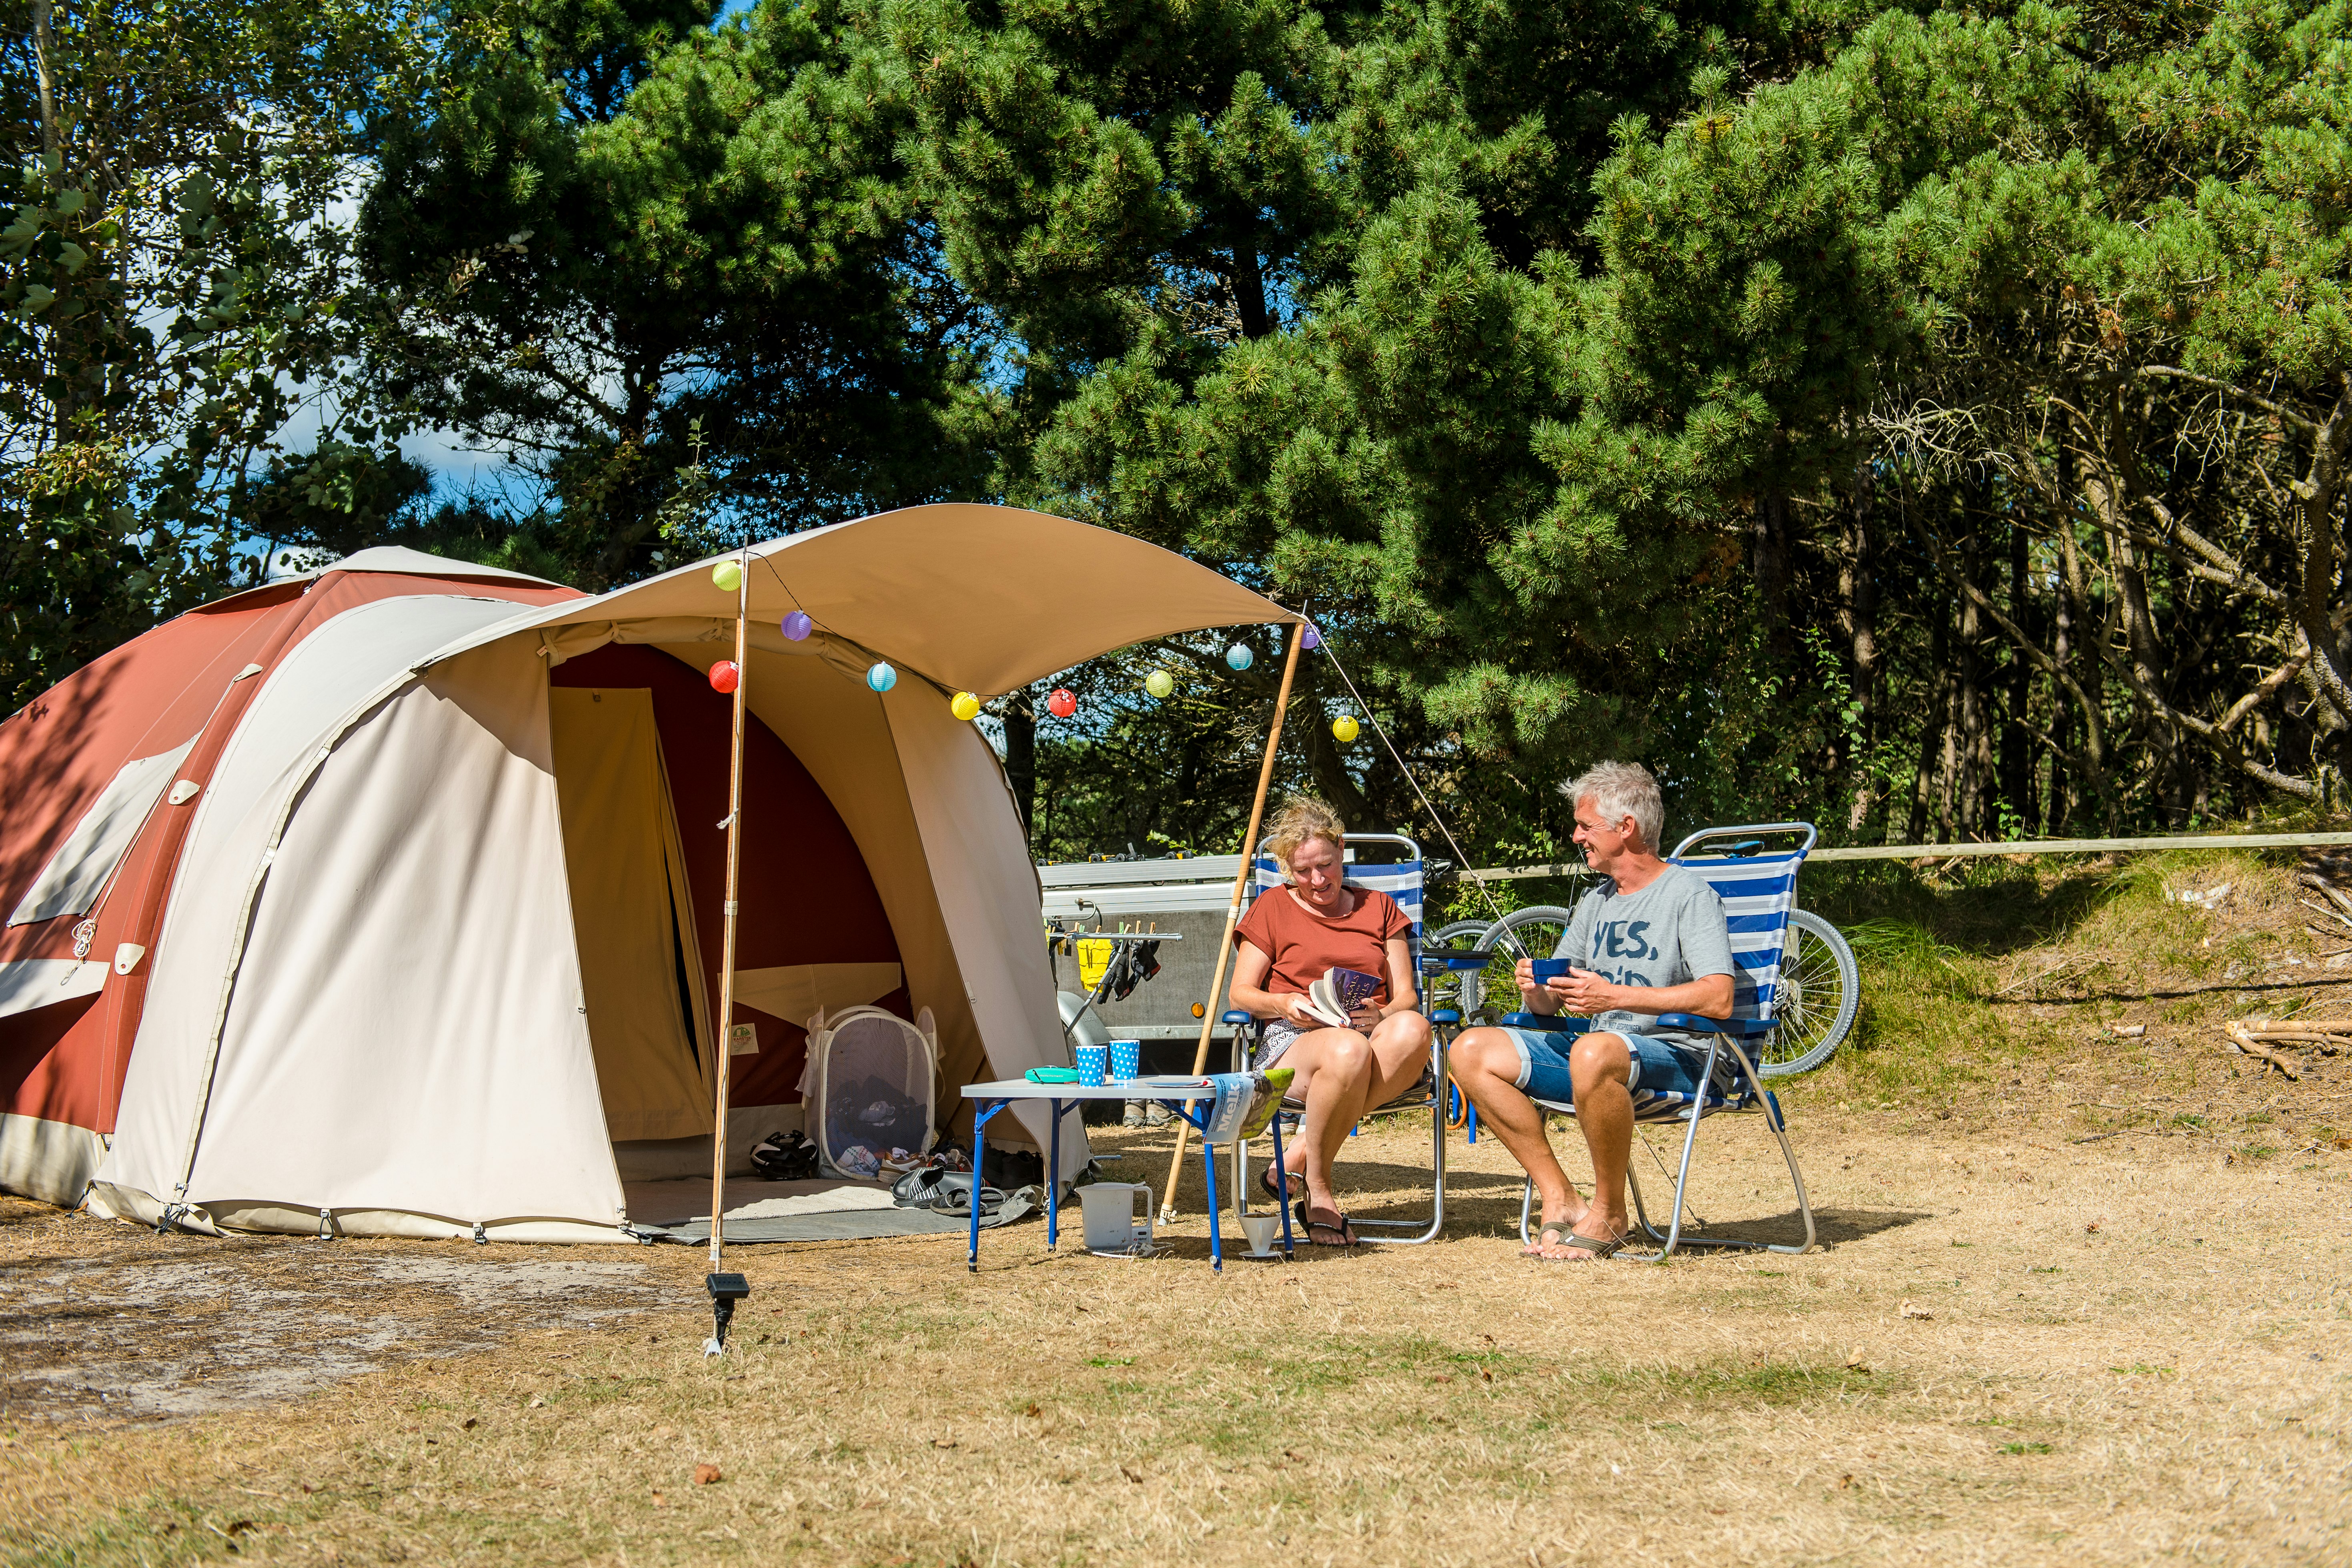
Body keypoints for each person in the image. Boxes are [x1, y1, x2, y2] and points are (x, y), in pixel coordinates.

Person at [1448, 761, 1735, 1262]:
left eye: (1586, 825)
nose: (1576, 835)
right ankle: (1559, 1195)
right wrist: (1536, 989)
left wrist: (1615, 997)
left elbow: (1719, 997)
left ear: (1626, 827)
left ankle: (1610, 1213)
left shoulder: (1688, 896)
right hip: (1597, 1058)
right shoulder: (1595, 902)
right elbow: (1553, 1000)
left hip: (1683, 1057)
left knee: (1594, 1049)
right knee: (1470, 1049)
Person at [1228, 796, 1432, 1246]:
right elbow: (1240, 993)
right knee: (1348, 1047)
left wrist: (1383, 1013)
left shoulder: (1379, 907)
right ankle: (1319, 1191)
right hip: (1295, 1038)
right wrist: (1283, 1003)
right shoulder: (1272, 908)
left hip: (1368, 1032)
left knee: (1415, 1029)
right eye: (1303, 871)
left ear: (1341, 850)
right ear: (1287, 868)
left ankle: (1301, 1151)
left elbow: (1407, 997)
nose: (1318, 880)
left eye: (1325, 865)